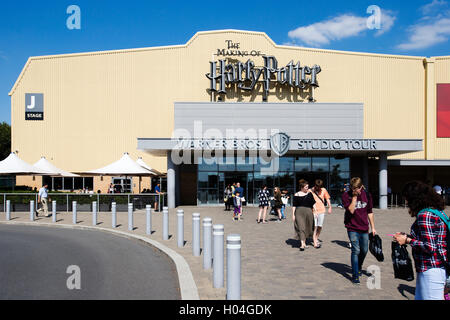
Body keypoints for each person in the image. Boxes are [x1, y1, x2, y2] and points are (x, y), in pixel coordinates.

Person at [393, 181, 448, 300]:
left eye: (407, 199)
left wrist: (407, 240)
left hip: (431, 268)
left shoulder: (425, 215)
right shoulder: (436, 211)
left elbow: (430, 246)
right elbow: (433, 238)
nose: (406, 203)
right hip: (436, 267)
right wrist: (407, 236)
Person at [342, 177, 376, 285]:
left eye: (356, 189)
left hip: (364, 227)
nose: (354, 190)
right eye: (352, 188)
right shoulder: (346, 195)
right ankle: (355, 275)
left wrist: (373, 227)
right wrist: (354, 197)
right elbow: (351, 210)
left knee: (364, 250)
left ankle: (359, 266)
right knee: (355, 250)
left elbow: (369, 211)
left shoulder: (367, 195)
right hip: (352, 227)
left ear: (361, 187)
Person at [292, 179, 316, 251]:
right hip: (299, 212)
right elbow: (294, 206)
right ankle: (302, 244)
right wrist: (293, 215)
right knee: (301, 227)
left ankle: (304, 242)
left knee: (307, 227)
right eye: (306, 187)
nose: (307, 188)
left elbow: (313, 204)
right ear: (302, 187)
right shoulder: (296, 194)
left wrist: (315, 211)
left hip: (308, 212)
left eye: (308, 187)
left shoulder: (310, 194)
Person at [310, 179, 332, 248]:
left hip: (322, 210)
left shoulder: (324, 190)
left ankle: (316, 238)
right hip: (313, 211)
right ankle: (315, 241)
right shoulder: (311, 191)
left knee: (320, 226)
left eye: (319, 187)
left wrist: (330, 207)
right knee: (315, 226)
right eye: (317, 187)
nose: (318, 188)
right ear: (315, 185)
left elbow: (327, 198)